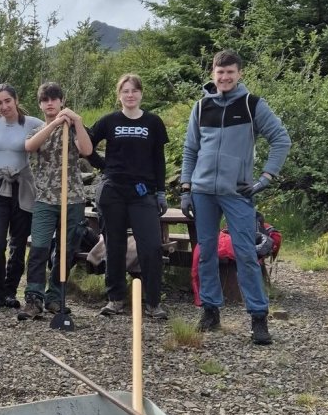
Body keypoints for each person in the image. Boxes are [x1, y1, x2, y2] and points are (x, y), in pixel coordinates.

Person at [180, 49, 291, 345]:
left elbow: (281, 139)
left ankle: (258, 319)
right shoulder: (202, 107)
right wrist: (186, 187)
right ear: (212, 74)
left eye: (230, 72)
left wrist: (266, 177)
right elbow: (190, 150)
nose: (225, 77)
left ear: (239, 73)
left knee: (245, 254)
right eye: (220, 72)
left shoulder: (252, 105)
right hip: (202, 193)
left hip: (238, 192)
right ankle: (210, 311)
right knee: (206, 253)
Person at [89, 73, 170, 320]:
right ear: (119, 95)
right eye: (125, 91)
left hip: (142, 192)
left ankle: (153, 302)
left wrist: (161, 192)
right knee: (114, 246)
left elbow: (159, 159)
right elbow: (86, 146)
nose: (130, 95)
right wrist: (103, 165)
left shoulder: (153, 122)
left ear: (141, 94)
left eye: (134, 90)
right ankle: (115, 299)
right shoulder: (109, 121)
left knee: (151, 247)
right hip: (113, 191)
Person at [18, 82, 93, 321]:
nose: (50, 103)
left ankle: (55, 297)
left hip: (72, 198)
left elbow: (87, 150)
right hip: (45, 198)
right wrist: (54, 124)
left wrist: (76, 122)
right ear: (40, 104)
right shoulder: (39, 129)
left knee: (66, 249)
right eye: (45, 100)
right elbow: (30, 146)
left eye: (54, 99)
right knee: (39, 247)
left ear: (61, 101)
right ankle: (34, 298)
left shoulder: (74, 128)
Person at [0, 84, 44, 311]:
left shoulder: (33, 123)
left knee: (18, 243)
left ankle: (10, 291)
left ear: (16, 100)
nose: (4, 106)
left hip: (23, 186)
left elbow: (55, 127)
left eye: (8, 101)